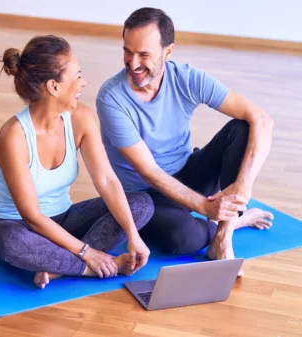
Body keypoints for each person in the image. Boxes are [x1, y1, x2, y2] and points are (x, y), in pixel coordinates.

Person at [96, 8, 275, 276]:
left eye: (144, 55)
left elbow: (262, 120)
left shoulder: (188, 78)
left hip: (189, 173)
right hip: (147, 196)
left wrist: (243, 186)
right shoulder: (111, 99)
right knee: (182, 240)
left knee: (242, 128)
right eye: (127, 52)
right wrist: (206, 207)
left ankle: (222, 239)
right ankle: (236, 221)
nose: (133, 64)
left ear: (168, 52)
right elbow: (150, 172)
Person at [0, 35, 154, 289]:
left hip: (65, 219)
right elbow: (31, 216)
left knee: (141, 204)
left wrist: (133, 235)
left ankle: (56, 268)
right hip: (20, 227)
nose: (83, 83)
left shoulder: (81, 118)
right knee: (6, 240)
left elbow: (107, 180)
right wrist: (88, 253)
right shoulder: (14, 136)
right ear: (53, 87)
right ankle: (86, 268)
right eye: (77, 76)